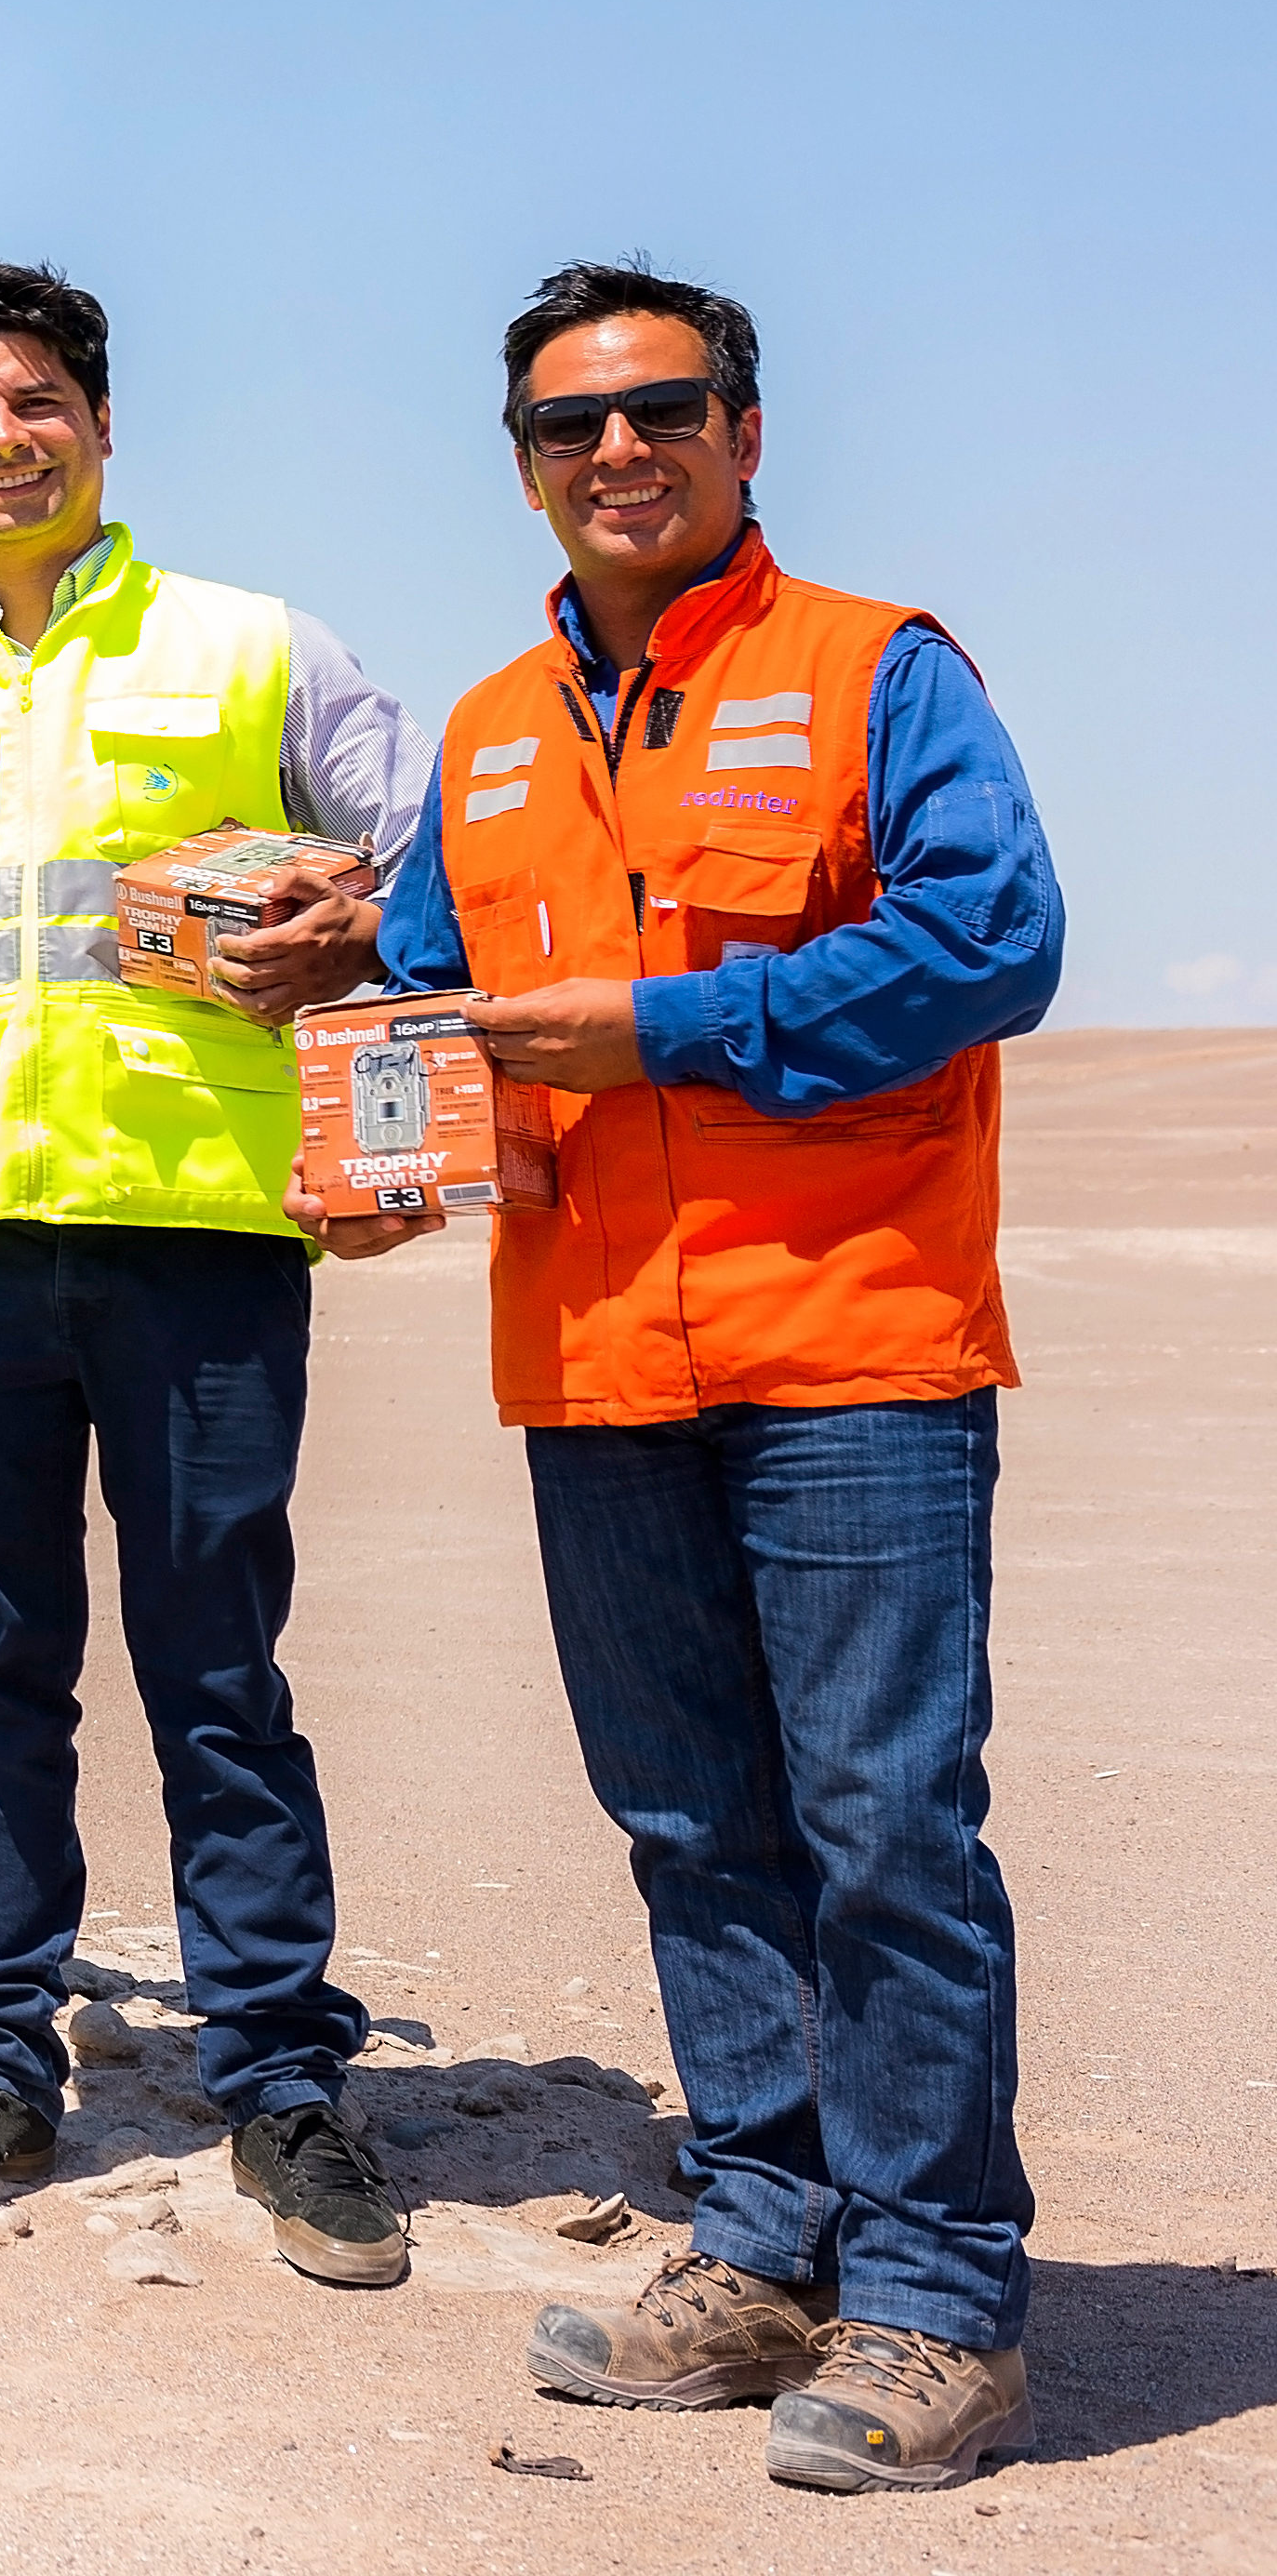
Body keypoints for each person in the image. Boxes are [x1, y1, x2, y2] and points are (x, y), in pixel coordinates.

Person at [320, 265, 1058, 2492]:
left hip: (845, 1344)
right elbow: (439, 1001)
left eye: (658, 408)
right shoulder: (483, 727)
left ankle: (935, 2295)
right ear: (523, 464)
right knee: (688, 1829)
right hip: (589, 1357)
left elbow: (986, 939)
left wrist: (659, 1027)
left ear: (741, 432)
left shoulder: (869, 667)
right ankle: (758, 2238)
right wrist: (373, 1127)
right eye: (566, 425)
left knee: (879, 1831)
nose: (612, 450)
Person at [0, 259, 427, 2289]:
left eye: (32, 402)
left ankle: (282, 2079)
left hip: (197, 1251)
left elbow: (441, 882)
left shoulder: (249, 648)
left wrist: (353, 940)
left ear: (100, 424)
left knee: (217, 1673)